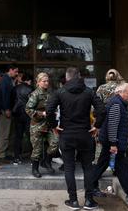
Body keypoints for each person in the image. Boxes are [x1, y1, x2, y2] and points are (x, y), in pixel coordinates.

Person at [46, 67, 106, 210]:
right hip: (85, 134)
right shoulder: (89, 92)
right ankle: (89, 200)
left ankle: (73, 200)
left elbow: (49, 110)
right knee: (88, 167)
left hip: (66, 134)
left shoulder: (60, 92)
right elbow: (102, 110)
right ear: (79, 77)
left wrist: (54, 126)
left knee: (69, 167)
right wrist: (97, 126)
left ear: (66, 78)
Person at [90, 83, 128, 208]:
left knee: (102, 164)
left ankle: (91, 186)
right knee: (122, 167)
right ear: (121, 92)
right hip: (114, 142)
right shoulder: (117, 104)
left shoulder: (117, 102)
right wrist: (113, 144)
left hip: (110, 141)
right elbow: (113, 125)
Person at [25, 72, 58, 178]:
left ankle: (46, 161)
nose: (46, 83)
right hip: (37, 126)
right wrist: (41, 114)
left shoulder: (49, 93)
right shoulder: (35, 94)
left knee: (55, 143)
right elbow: (28, 109)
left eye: (47, 81)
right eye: (44, 81)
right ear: (38, 82)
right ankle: (35, 169)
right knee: (37, 150)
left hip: (48, 125)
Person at [0, 64, 19, 163]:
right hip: (5, 110)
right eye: (15, 71)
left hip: (8, 110)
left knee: (9, 133)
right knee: (5, 133)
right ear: (10, 70)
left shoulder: (8, 80)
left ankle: (5, 153)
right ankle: (2, 155)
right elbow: (4, 95)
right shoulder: (5, 80)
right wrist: (6, 109)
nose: (17, 73)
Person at [11, 73, 33, 165]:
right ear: (28, 81)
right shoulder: (31, 89)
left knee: (18, 137)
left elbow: (11, 100)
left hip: (17, 115)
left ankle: (17, 157)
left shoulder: (15, 88)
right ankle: (33, 158)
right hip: (28, 115)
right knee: (31, 136)